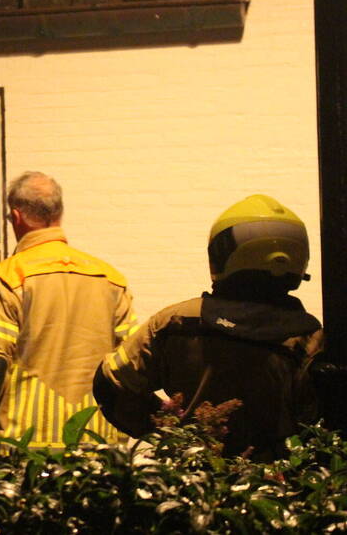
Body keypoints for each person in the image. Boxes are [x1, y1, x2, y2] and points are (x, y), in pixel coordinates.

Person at [93, 194, 323, 460]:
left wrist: (166, 433)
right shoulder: (311, 339)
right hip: (279, 489)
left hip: (194, 481)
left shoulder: (177, 321)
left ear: (222, 253)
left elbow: (111, 382)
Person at [0, 171, 136, 470]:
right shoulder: (110, 280)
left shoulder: (5, 281)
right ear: (59, 213)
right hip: (101, 453)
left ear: (16, 217)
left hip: (26, 455)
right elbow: (132, 364)